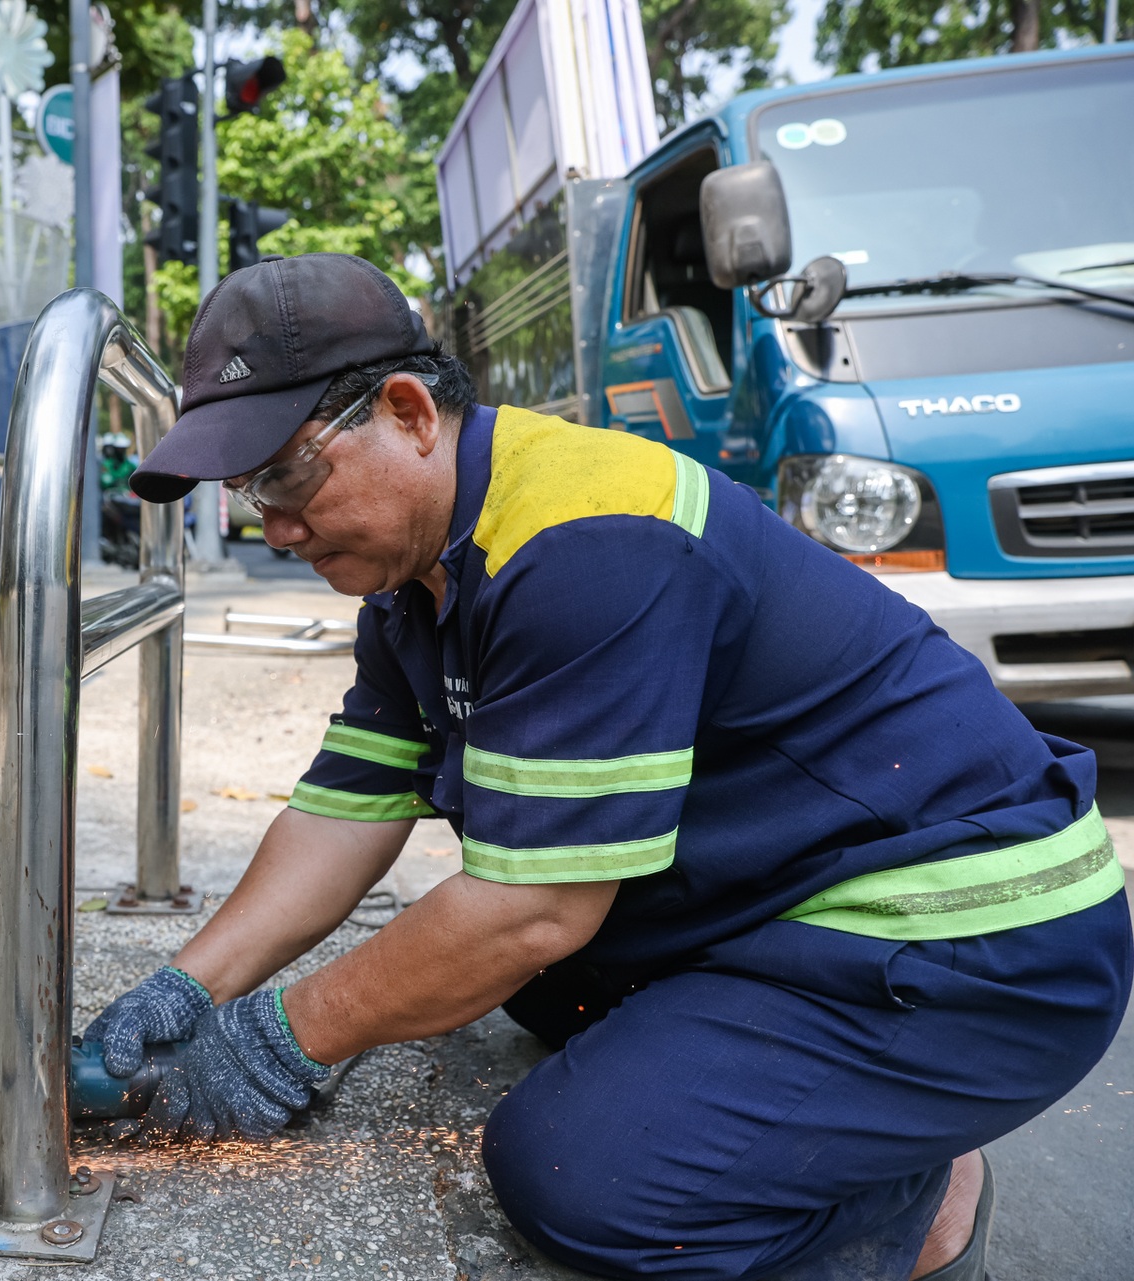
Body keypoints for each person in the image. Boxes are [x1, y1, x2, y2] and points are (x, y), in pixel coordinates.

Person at [92, 252, 1132, 1281]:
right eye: (243, 490)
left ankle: (919, 1203)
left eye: (284, 473)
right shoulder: (415, 578)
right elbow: (344, 814)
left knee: (580, 1174)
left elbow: (530, 909)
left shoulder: (583, 540)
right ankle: (856, 1110)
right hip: (801, 900)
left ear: (409, 412)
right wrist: (188, 988)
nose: (270, 525)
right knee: (547, 995)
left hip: (978, 942)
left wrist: (282, 1038)